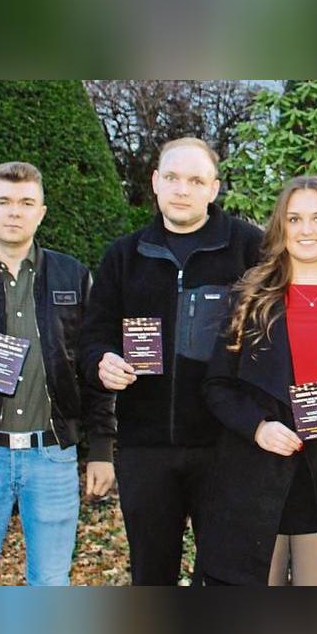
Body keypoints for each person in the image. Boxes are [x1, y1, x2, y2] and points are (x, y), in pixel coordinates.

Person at [79, 137, 264, 585]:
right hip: (147, 448)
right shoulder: (124, 255)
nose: (183, 189)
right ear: (155, 183)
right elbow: (92, 338)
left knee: (228, 575)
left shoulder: (248, 248)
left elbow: (273, 334)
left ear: (214, 188)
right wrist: (102, 362)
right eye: (173, 178)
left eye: (196, 180)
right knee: (151, 574)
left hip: (225, 445)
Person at [0, 161, 116, 585]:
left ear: (41, 212)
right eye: (5, 202)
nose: (15, 212)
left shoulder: (72, 275)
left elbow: (94, 362)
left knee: (50, 584)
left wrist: (102, 447)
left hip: (52, 458)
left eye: (26, 202)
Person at [196, 175, 317, 586]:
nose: (307, 230)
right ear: (280, 227)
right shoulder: (249, 296)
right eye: (295, 219)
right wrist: (258, 428)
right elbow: (216, 386)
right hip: (255, 472)